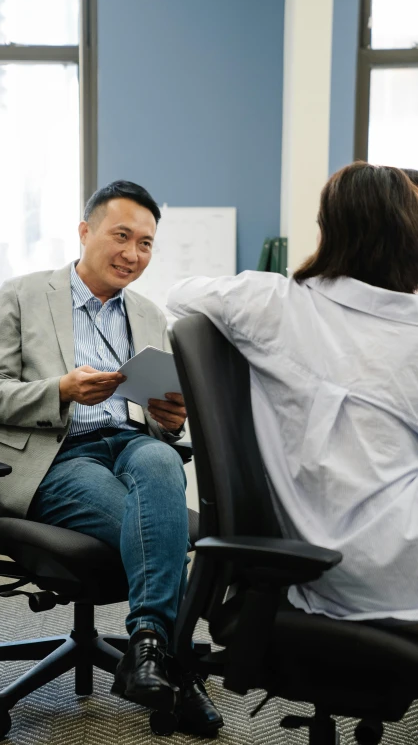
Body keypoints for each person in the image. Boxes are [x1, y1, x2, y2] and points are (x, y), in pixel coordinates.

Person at [0, 180, 222, 736]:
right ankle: (173, 665)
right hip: (59, 458)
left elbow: (156, 418)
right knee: (166, 533)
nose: (133, 255)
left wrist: (170, 418)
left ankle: (150, 647)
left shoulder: (152, 315)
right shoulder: (23, 294)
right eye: (122, 236)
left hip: (131, 445)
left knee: (159, 459)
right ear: (86, 232)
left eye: (147, 244)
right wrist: (60, 389)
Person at [168, 162, 418, 623]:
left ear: (328, 231)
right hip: (391, 570)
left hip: (327, 558)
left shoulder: (272, 303)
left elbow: (181, 295)